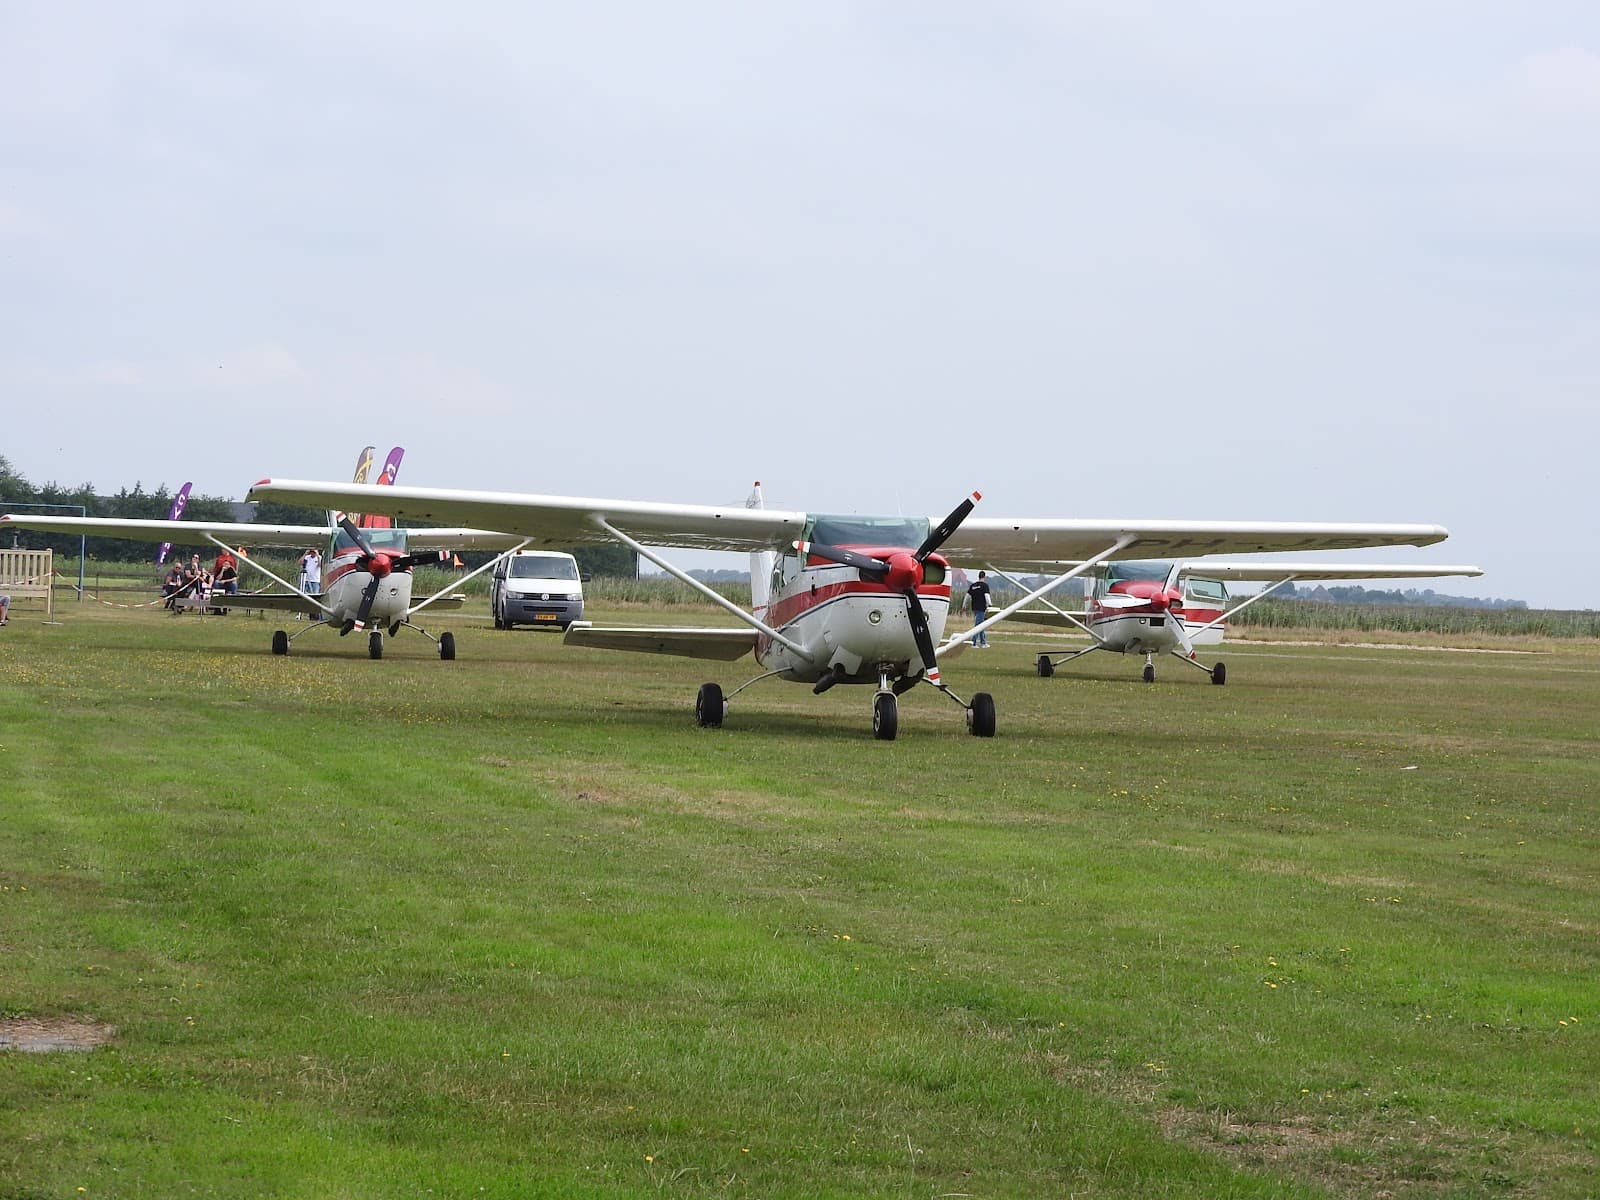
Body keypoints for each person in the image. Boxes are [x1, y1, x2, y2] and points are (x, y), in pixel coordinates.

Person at [967, 570, 992, 647]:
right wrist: (990, 604)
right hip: (981, 608)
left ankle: (983, 642)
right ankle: (973, 643)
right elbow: (987, 597)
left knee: (981, 625)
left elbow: (967, 596)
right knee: (978, 626)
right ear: (984, 577)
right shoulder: (985, 586)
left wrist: (964, 606)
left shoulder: (973, 586)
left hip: (974, 608)